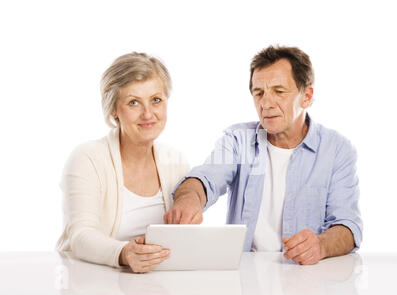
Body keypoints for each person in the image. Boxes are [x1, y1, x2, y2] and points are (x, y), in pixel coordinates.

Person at [164, 45, 362, 265]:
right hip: (246, 277)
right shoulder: (238, 140)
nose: (265, 103)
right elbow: (206, 178)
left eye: (279, 91)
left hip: (306, 279)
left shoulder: (337, 150)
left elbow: (348, 225)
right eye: (259, 93)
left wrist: (321, 245)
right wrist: (188, 199)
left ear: (306, 96)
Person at [56, 52, 190, 273]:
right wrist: (124, 253)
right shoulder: (87, 158)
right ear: (113, 110)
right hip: (90, 285)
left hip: (156, 287)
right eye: (133, 102)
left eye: (156, 100)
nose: (148, 114)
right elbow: (80, 235)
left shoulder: (175, 161)